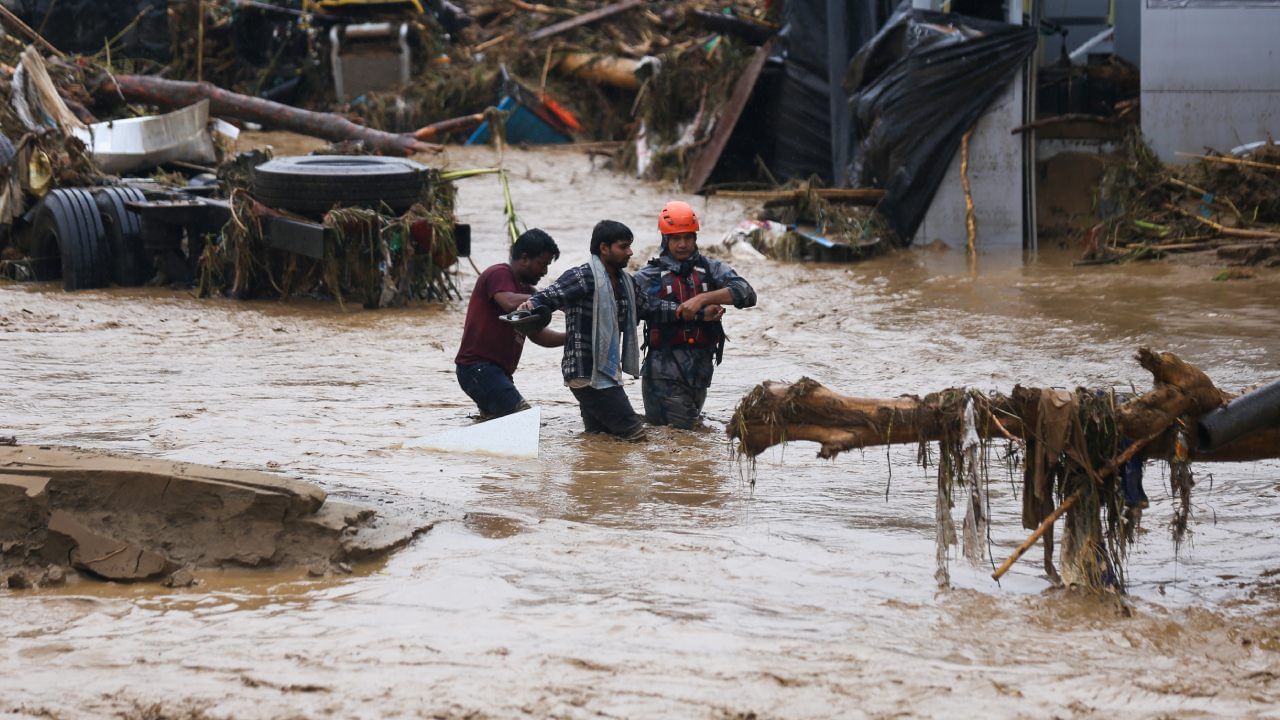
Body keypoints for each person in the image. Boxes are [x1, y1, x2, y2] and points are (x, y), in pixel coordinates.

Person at [520, 220, 720, 440]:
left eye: (630, 246)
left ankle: (594, 473)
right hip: (587, 373)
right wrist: (528, 309)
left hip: (604, 372)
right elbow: (546, 298)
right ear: (604, 248)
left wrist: (697, 312)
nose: (630, 252)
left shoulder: (625, 283)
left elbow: (652, 307)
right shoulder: (583, 277)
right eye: (623, 247)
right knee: (635, 437)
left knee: (599, 439)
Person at [634, 201, 756, 429]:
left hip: (700, 372)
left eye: (688, 237)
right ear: (665, 240)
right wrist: (696, 314)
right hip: (663, 373)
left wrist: (704, 298)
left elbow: (747, 294)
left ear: (695, 238)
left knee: (678, 443)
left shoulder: (711, 270)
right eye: (676, 238)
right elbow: (638, 308)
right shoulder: (649, 275)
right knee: (683, 438)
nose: (683, 244)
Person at [454, 228, 564, 418]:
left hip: (496, 374)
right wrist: (549, 298)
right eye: (542, 264)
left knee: (498, 426)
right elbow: (508, 301)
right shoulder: (499, 273)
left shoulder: (528, 290)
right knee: (524, 419)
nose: (545, 271)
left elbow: (538, 335)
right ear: (524, 258)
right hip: (478, 368)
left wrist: (572, 336)